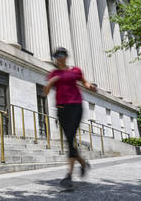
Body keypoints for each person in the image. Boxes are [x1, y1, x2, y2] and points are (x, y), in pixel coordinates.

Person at [43, 47, 97, 189]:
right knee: (69, 140)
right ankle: (83, 164)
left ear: (66, 56)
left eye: (61, 55)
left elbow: (84, 82)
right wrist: (50, 82)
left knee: (70, 138)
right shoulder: (54, 73)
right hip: (61, 109)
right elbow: (45, 91)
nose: (59, 58)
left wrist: (90, 86)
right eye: (57, 56)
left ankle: (68, 176)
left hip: (76, 107)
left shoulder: (76, 71)